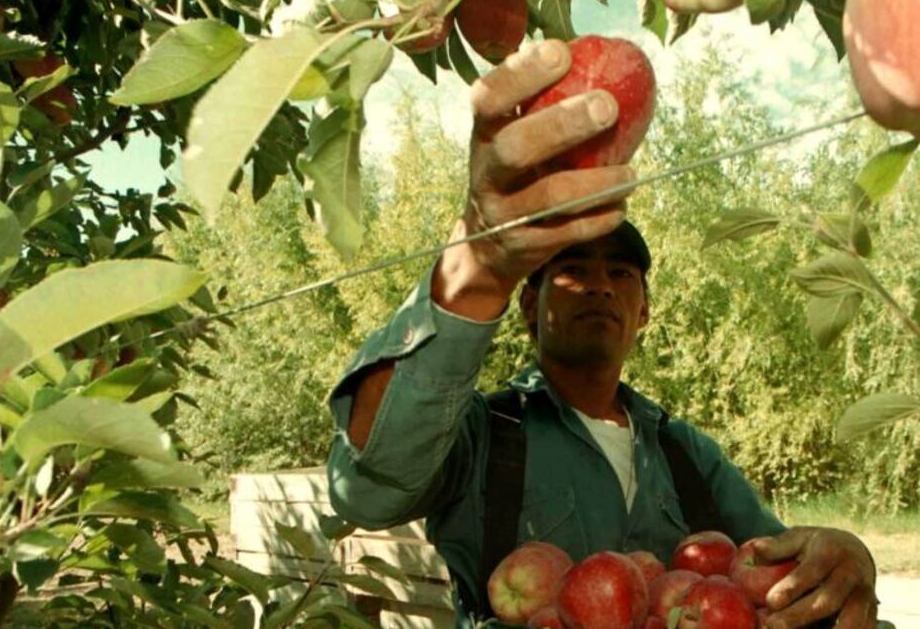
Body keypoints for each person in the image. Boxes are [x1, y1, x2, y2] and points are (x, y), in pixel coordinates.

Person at [325, 39, 878, 629]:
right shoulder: (487, 435)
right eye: (572, 270)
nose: (599, 287)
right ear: (527, 305)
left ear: (643, 312)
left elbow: (773, 573)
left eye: (620, 273)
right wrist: (478, 268)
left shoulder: (685, 452)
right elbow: (368, 493)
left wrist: (844, 558)